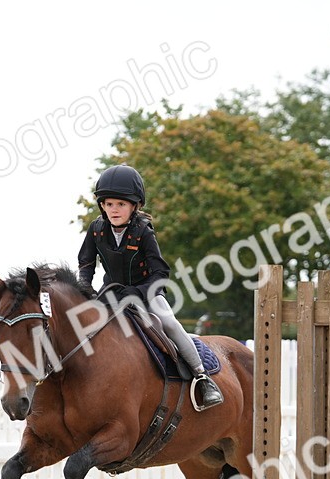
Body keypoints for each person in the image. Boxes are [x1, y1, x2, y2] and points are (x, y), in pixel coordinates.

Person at [77, 164, 223, 409]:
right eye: (109, 204)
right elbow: (86, 262)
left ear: (135, 206)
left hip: (146, 293)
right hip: (110, 294)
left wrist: (137, 292)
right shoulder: (96, 229)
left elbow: (160, 272)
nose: (114, 209)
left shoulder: (143, 231)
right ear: (102, 205)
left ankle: (202, 377)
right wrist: (84, 288)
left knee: (170, 324)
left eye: (121, 204)